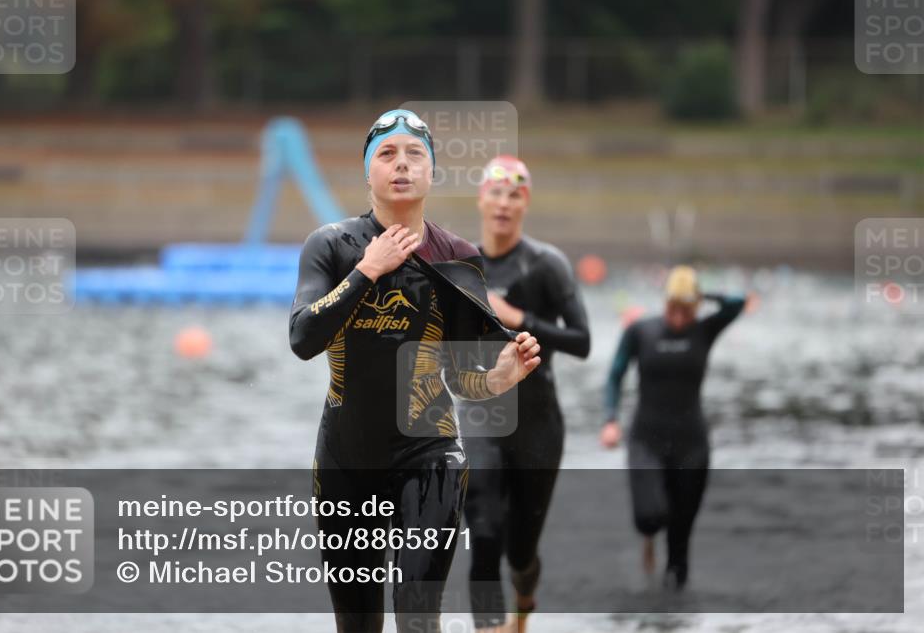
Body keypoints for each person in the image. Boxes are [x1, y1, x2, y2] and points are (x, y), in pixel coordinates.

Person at [289, 109, 542, 633]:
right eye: (387, 154)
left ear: (432, 172)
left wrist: (500, 378)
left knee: (418, 620)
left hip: (430, 457)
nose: (401, 164)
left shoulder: (458, 257)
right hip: (346, 461)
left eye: (414, 155)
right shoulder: (331, 246)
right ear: (368, 172)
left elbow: (464, 378)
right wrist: (368, 270)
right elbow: (302, 338)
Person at [460, 155, 591, 633]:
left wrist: (519, 318)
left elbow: (582, 341)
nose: (503, 204)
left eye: (513, 195)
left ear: (525, 203)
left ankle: (524, 601)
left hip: (537, 424)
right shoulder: (462, 267)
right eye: (495, 193)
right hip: (480, 417)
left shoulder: (546, 264)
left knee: (520, 551)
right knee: (484, 533)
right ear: (481, 199)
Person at [599, 265, 746, 590]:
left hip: (691, 444)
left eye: (686, 309)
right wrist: (610, 419)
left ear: (696, 307)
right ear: (664, 302)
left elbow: (738, 302)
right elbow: (615, 375)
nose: (679, 316)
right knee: (649, 517)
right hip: (646, 440)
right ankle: (649, 539)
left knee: (680, 544)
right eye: (673, 307)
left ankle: (675, 608)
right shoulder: (641, 331)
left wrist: (701, 293)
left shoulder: (705, 330)